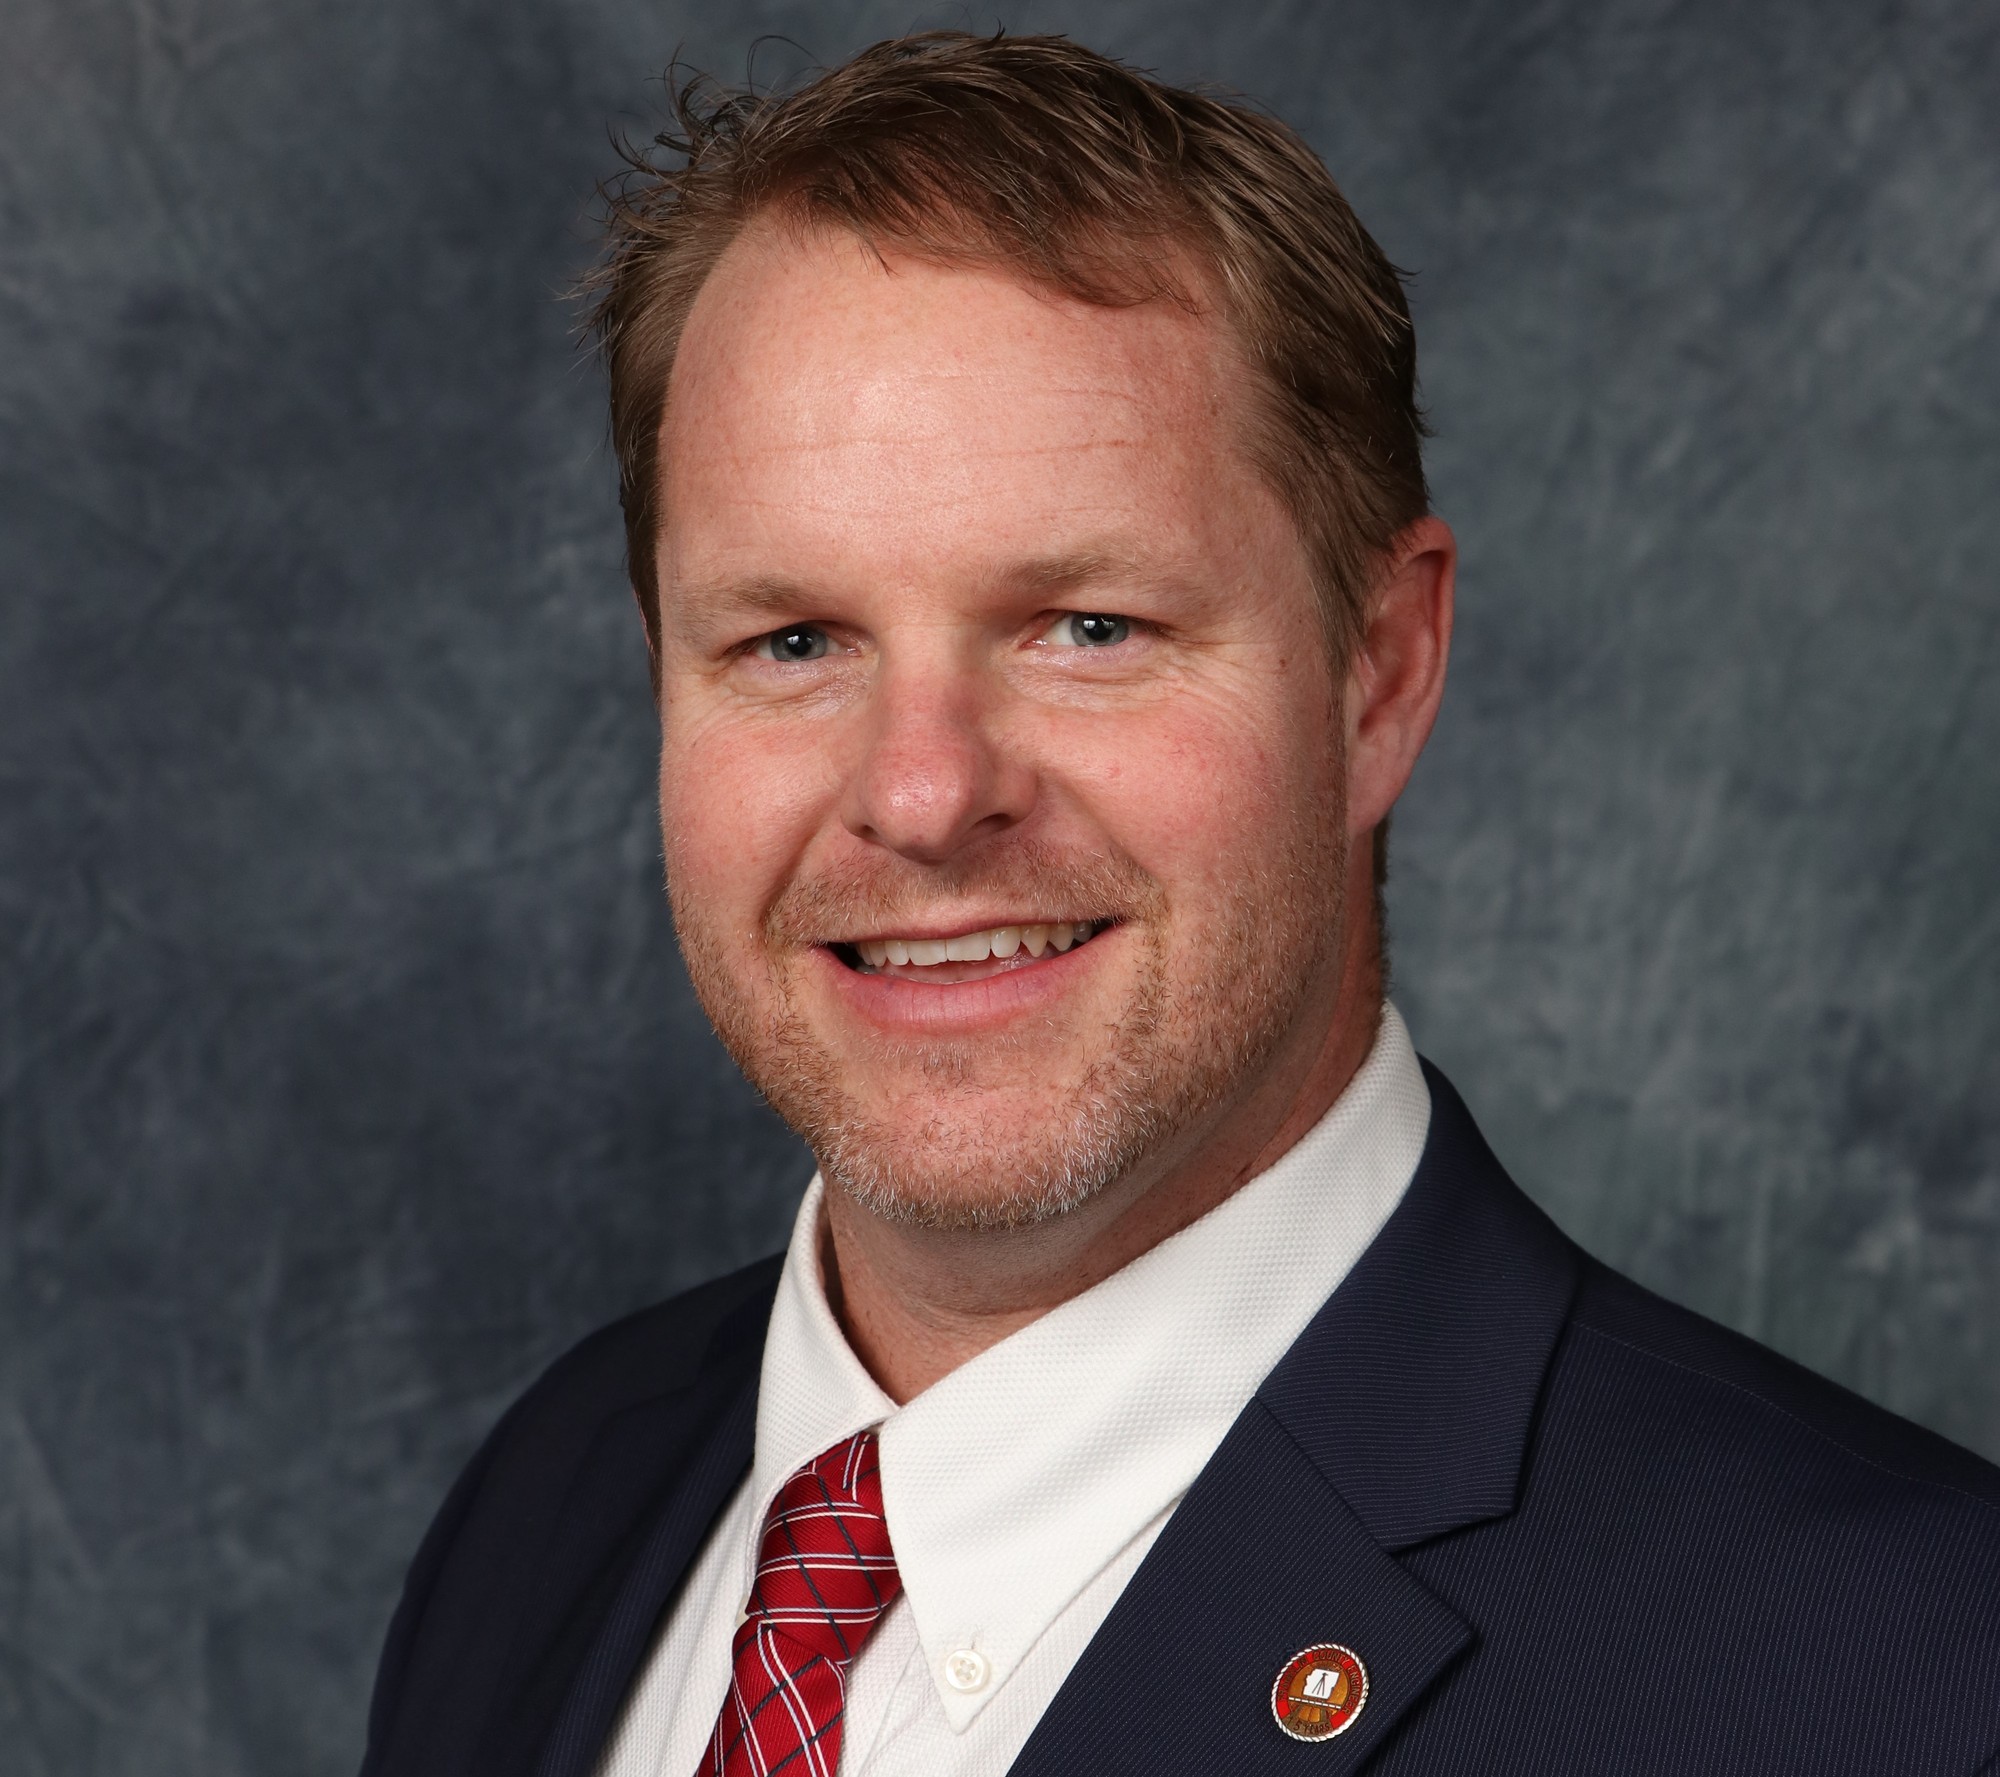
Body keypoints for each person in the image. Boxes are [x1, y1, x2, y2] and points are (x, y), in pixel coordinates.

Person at [358, 32, 2000, 1777]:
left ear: (1379, 672)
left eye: (1088, 627)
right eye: (794, 641)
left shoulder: (1905, 1687)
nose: (923, 792)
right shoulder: (558, 1498)